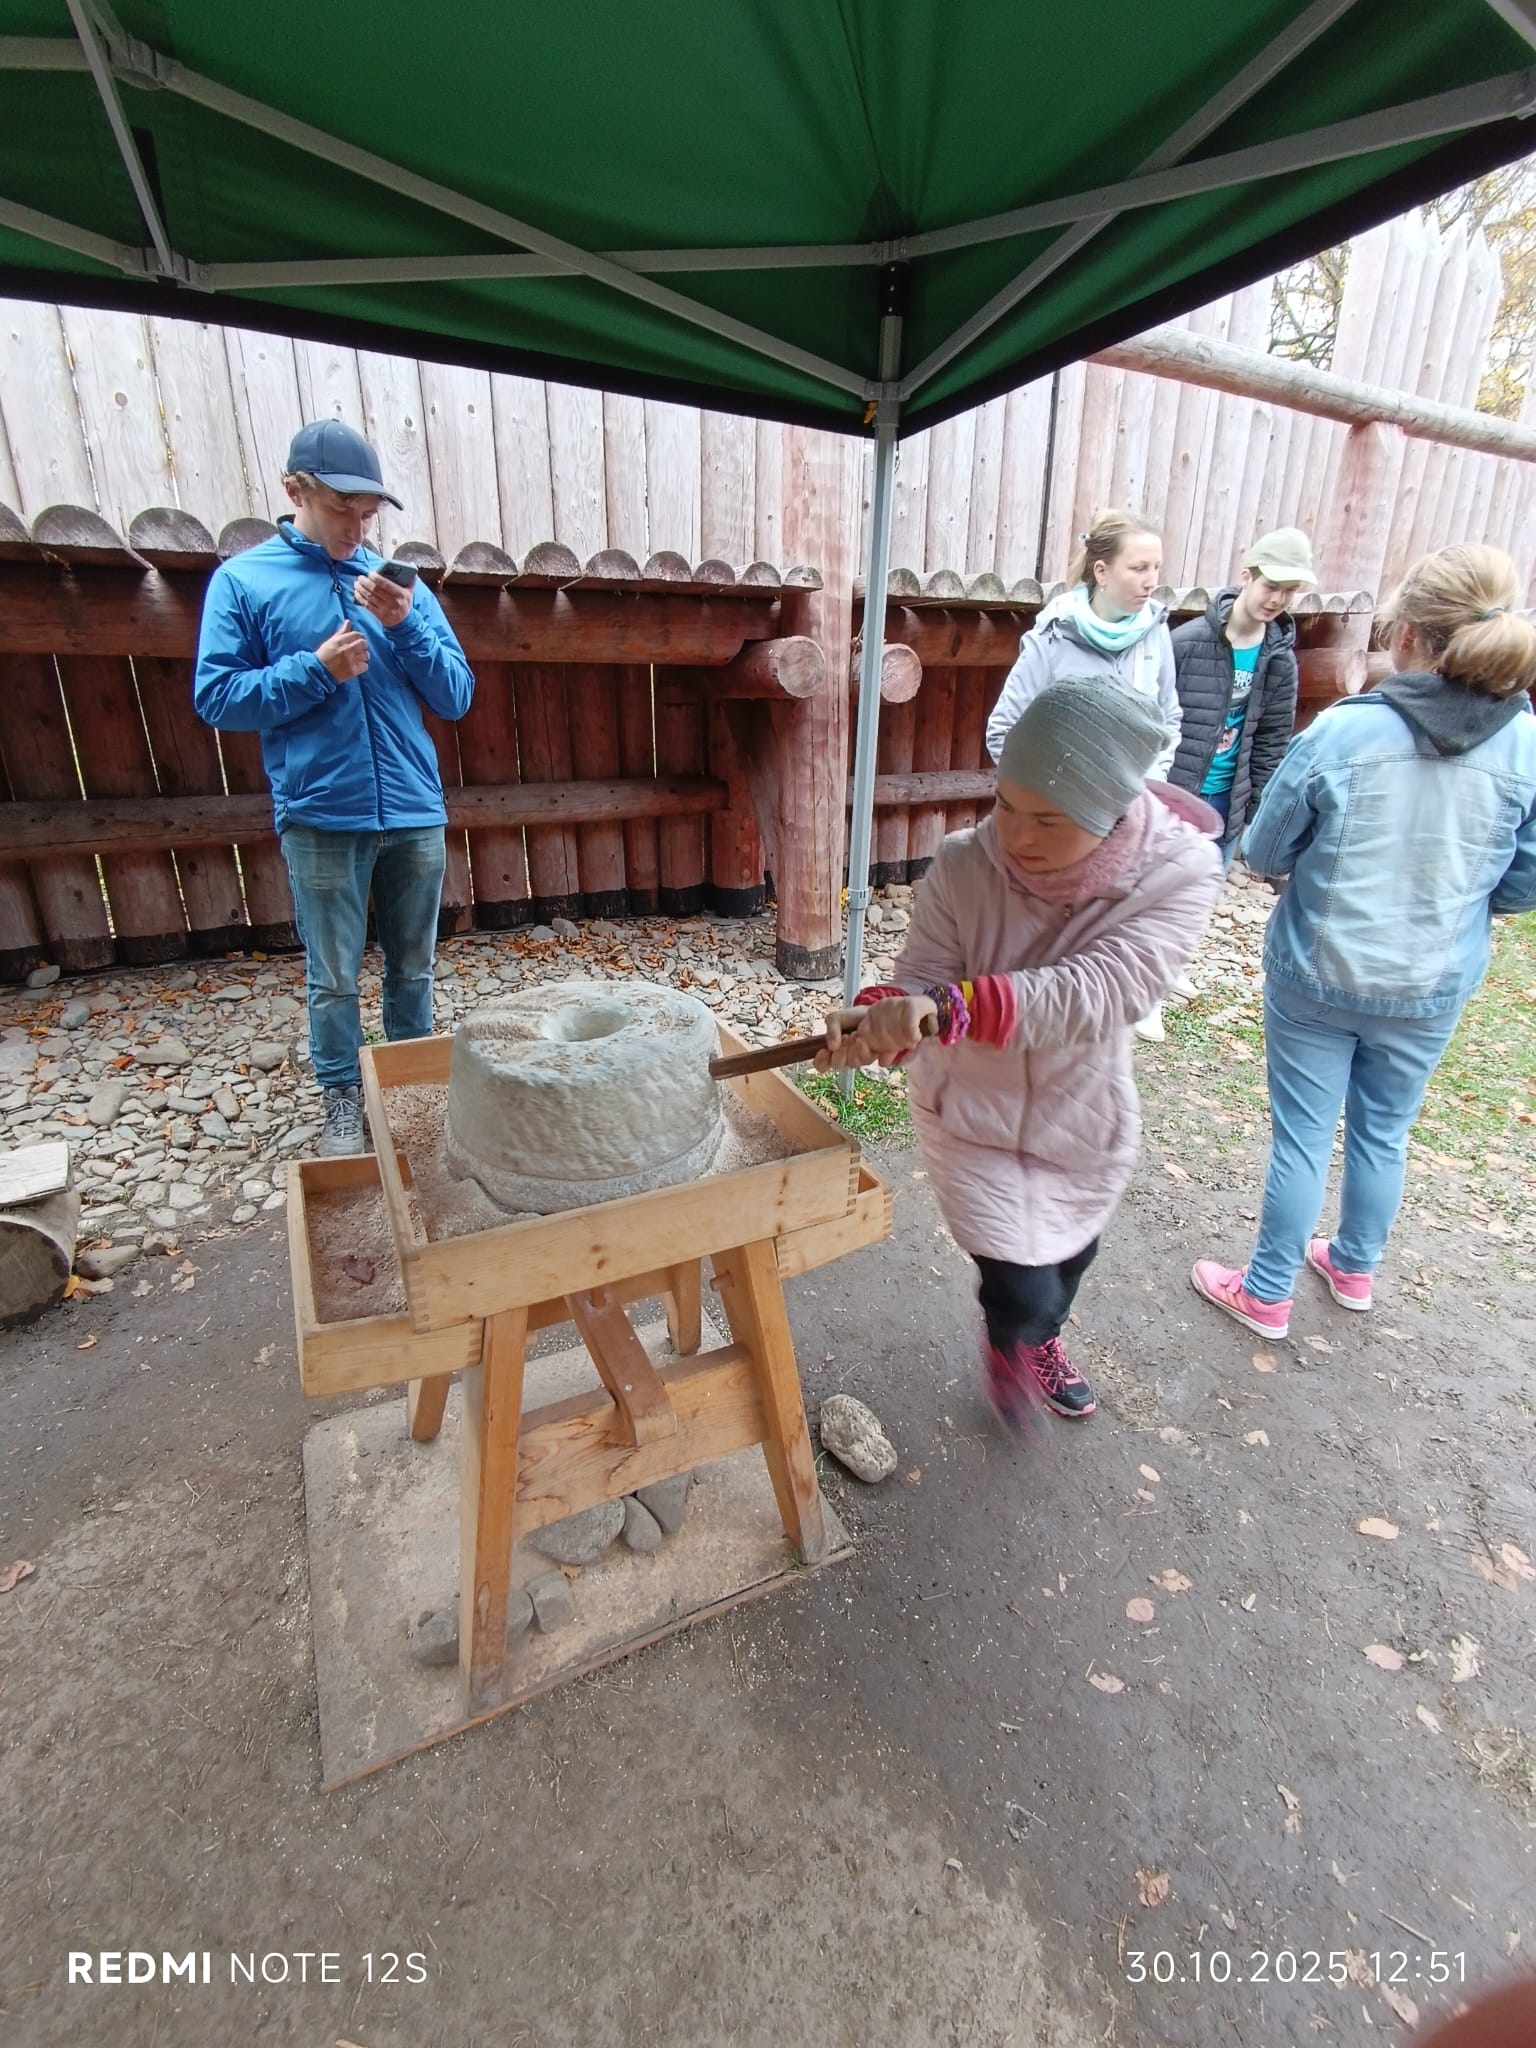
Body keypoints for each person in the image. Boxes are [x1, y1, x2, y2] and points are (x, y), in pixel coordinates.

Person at [818, 677, 1222, 1425]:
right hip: (969, 1110)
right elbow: (924, 974)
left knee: (1073, 1254)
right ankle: (1015, 1338)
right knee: (1018, 1280)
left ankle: (1042, 1334)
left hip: (1079, 1107)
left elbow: (1106, 988)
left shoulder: (1178, 874)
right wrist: (883, 1016)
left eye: (1049, 819)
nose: (1017, 836)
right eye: (1005, 803)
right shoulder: (964, 864)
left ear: (1108, 815)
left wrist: (946, 1010)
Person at [1190, 543, 1536, 1338]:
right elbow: (1522, 885)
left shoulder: (1346, 733)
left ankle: (1266, 1292)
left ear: (1406, 634)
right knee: (1385, 1129)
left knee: (1304, 1138)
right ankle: (1352, 1266)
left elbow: (1264, 851)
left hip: (1319, 972)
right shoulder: (1525, 743)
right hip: (1432, 984)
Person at [194, 421, 475, 1156]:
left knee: (414, 966)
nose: (357, 529)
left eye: (368, 514)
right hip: (320, 815)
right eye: (342, 510)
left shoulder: (397, 585)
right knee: (333, 977)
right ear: (295, 491)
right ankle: (343, 1096)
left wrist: (406, 626)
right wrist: (315, 670)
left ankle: (409, 1090)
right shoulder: (243, 582)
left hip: (413, 812)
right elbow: (216, 697)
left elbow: (455, 695)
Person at [986, 508, 1185, 1044]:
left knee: (1128, 914)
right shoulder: (1053, 638)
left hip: (1132, 813)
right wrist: (1051, 797)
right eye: (1138, 568)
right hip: (1062, 821)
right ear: (1101, 571)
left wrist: (1148, 788)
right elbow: (1003, 731)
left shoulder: (1156, 634)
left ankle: (1130, 997)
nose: (1150, 580)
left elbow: (1168, 720)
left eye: (1156, 568)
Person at [1168, 528, 1312, 869]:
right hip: (1173, 795)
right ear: (1247, 576)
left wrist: (1256, 808)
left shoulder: (1280, 660)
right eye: (1271, 586)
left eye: (1289, 591)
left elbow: (1272, 741)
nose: (1277, 599)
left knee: (1206, 893)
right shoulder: (1186, 642)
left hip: (1227, 800)